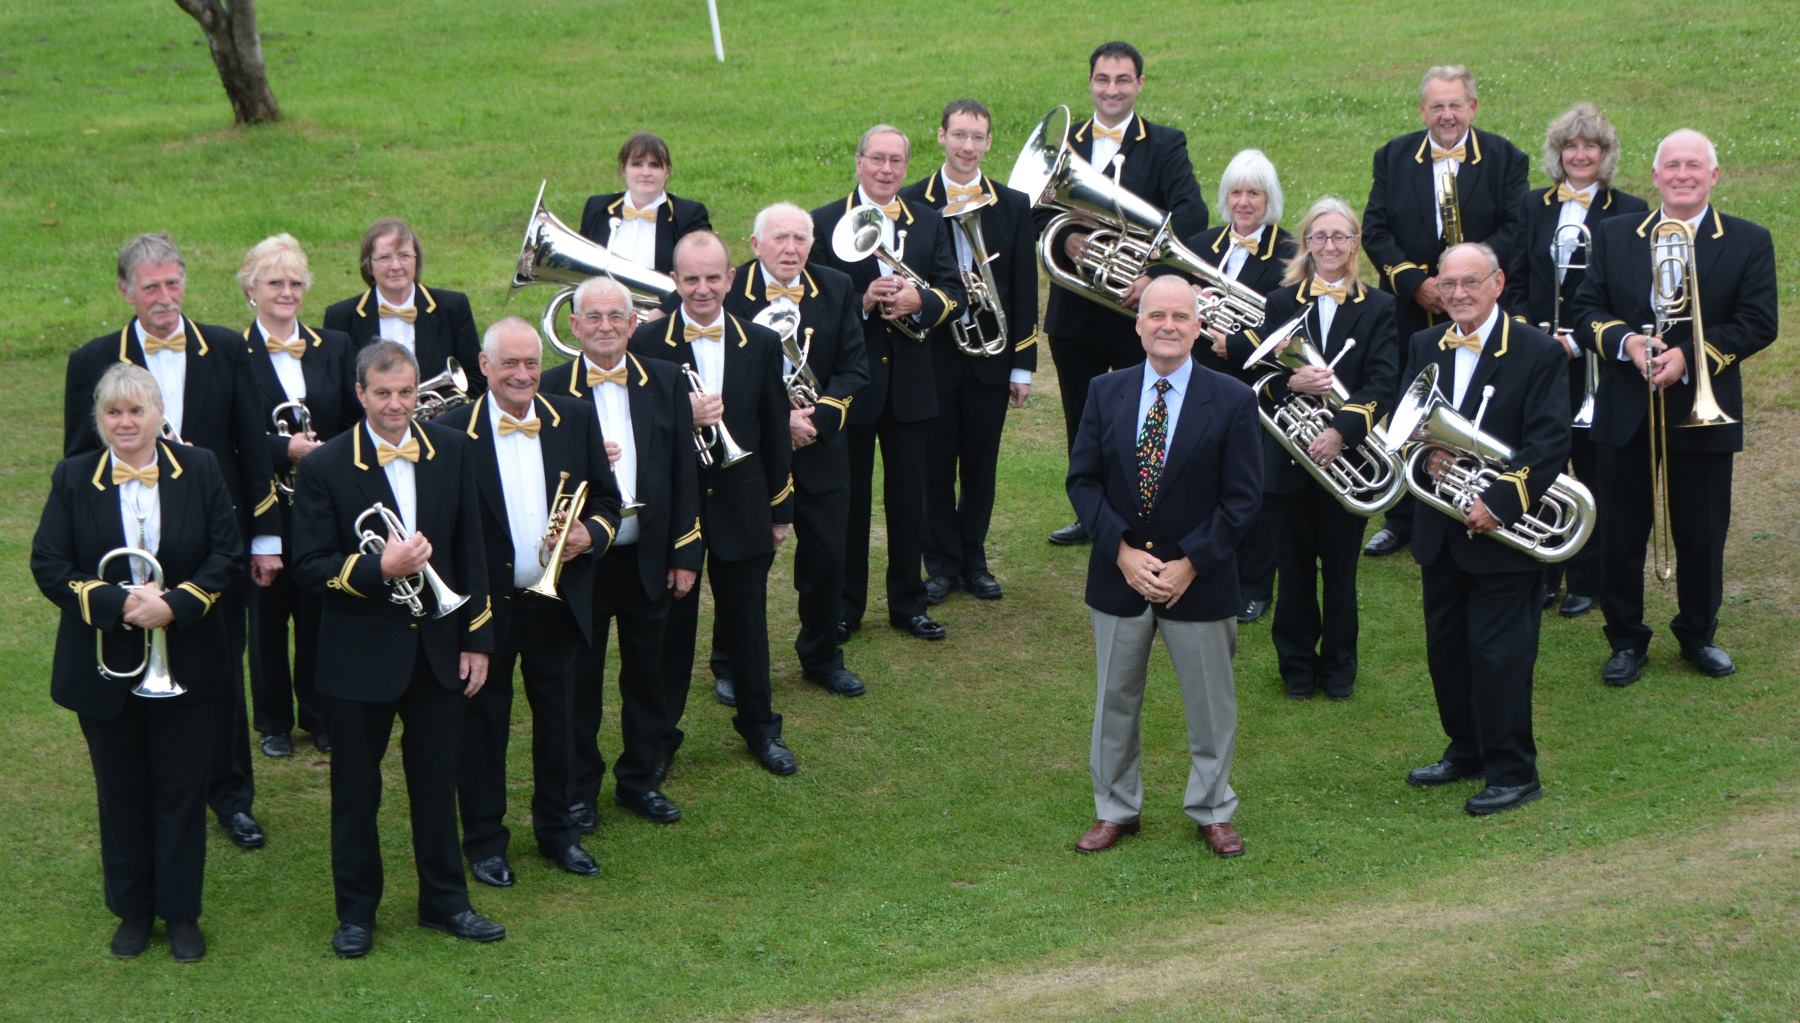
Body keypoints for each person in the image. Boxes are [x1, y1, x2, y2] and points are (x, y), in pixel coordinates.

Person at [63, 232, 277, 853]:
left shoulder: (229, 348)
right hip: (130, 546)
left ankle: (231, 797)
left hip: (214, 544)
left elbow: (253, 445)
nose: (164, 297)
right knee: (134, 667)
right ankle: (150, 787)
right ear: (126, 291)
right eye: (150, 286)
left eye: (173, 283)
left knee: (219, 669)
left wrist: (263, 537)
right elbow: (79, 461)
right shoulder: (92, 360)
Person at [291, 340, 503, 958]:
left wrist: (479, 640)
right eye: (382, 394)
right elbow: (308, 565)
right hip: (358, 656)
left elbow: (473, 554)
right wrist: (379, 566)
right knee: (356, 791)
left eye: (406, 392)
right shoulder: (325, 466)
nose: (396, 405)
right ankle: (356, 913)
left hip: (439, 648)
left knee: (438, 782)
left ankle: (446, 902)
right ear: (360, 394)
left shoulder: (455, 451)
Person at [32, 364, 244, 962]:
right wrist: (117, 603)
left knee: (181, 791)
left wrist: (175, 605)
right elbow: (49, 562)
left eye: (136, 411)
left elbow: (227, 553)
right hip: (105, 668)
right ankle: (132, 911)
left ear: (158, 416)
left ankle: (181, 915)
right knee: (119, 792)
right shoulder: (74, 477)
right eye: (113, 413)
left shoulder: (198, 469)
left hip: (189, 661)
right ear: (99, 421)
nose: (125, 423)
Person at [1570, 129, 1778, 686]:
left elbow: (1760, 322)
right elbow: (1585, 309)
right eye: (1672, 166)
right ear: (1656, 174)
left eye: (1694, 166)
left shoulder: (1747, 240)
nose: (1682, 174)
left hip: (1703, 407)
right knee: (1619, 530)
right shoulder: (1613, 235)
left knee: (1702, 530)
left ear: (1714, 175)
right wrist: (1627, 343)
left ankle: (1697, 634)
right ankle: (1625, 640)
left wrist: (1689, 358)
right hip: (1625, 406)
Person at [1065, 276, 1262, 857]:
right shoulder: (1106, 392)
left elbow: (1244, 499)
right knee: (1113, 702)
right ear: (1139, 324)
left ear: (1199, 327)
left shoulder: (1231, 399)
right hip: (1119, 578)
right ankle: (1116, 809)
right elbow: (1083, 482)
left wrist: (1191, 564)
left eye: (1181, 316)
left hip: (1197, 583)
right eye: (1157, 316)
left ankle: (1212, 808)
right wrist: (1122, 553)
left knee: (1210, 705)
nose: (1168, 326)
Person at [439, 318, 620, 884]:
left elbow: (610, 503)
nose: (523, 375)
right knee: (483, 724)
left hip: (557, 602)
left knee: (562, 719)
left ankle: (559, 832)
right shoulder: (449, 431)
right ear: (484, 366)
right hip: (486, 607)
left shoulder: (577, 417)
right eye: (510, 364)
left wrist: (592, 532)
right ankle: (486, 842)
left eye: (531, 363)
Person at [1399, 243, 1568, 816]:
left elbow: (1549, 442)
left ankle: (1514, 771)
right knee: (1446, 652)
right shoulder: (1424, 344)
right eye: (1448, 284)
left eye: (1471, 282)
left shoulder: (1538, 351)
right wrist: (1427, 461)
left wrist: (1499, 501)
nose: (1459, 294)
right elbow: (1408, 428)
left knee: (1499, 657)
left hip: (1502, 534)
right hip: (1441, 530)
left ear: (1498, 283)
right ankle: (1466, 749)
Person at [629, 232, 797, 776]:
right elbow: (640, 435)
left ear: (729, 279)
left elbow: (774, 432)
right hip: (676, 514)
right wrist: (685, 415)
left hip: (743, 506)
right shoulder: (647, 343)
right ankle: (659, 739)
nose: (703, 289)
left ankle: (759, 728)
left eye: (713, 278)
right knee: (669, 635)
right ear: (675, 282)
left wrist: (779, 511)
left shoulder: (762, 342)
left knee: (748, 626)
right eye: (691, 279)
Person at [544, 277, 700, 826]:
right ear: (574, 325)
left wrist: (685, 555)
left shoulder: (665, 380)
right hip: (583, 560)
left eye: (617, 316)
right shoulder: (549, 388)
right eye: (594, 317)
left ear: (635, 323)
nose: (606, 326)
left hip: (649, 555)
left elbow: (685, 472)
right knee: (579, 680)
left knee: (649, 674)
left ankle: (640, 778)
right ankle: (581, 791)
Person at [1045, 41, 1209, 547]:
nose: (1111, 89)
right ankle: (1089, 513)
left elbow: (1193, 215)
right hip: (1077, 311)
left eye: (1122, 80)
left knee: (1145, 412)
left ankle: (1145, 510)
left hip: (1136, 309)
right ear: (1090, 83)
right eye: (1102, 79)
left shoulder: (1164, 143)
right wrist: (1067, 238)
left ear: (1139, 84)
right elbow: (1029, 209)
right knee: (1083, 415)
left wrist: (1151, 276)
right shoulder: (1062, 143)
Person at [1362, 65, 1529, 558]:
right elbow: (1375, 231)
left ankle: (1481, 502)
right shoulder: (1393, 156)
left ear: (1473, 107)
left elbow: (1516, 229)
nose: (1447, 115)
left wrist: (1465, 281)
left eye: (1456, 105)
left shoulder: (1504, 158)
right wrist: (1417, 285)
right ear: (1423, 110)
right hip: (1414, 311)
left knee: (1477, 405)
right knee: (1406, 406)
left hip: (1480, 309)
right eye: (1437, 106)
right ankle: (1404, 517)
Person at [809, 125, 963, 641]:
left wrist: (920, 302)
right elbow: (814, 308)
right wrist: (862, 301)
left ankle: (907, 602)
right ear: (859, 162)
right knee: (848, 504)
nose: (887, 170)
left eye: (897, 162)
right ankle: (845, 607)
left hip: (912, 384)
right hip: (852, 389)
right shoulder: (825, 221)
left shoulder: (928, 220)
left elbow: (952, 290)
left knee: (909, 499)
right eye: (878, 159)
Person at [1240, 198, 1398, 700]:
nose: (1330, 246)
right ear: (1306, 243)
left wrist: (1342, 432)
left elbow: (1384, 382)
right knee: (1294, 567)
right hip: (1288, 459)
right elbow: (1258, 381)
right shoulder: (1281, 302)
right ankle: (1296, 668)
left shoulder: (1379, 306)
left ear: (1355, 245)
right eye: (1320, 237)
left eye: (1340, 237)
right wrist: (1293, 382)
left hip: (1346, 458)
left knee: (1341, 571)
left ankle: (1338, 670)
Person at [713, 202, 870, 704]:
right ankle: (732, 664)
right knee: (745, 562)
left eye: (800, 239)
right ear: (755, 244)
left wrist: (816, 421)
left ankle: (822, 656)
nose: (791, 248)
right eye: (779, 238)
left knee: (827, 559)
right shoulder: (729, 293)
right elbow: (720, 376)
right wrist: (779, 421)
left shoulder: (837, 286)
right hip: (754, 453)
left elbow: (853, 369)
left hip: (820, 446)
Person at [1500, 103, 1648, 618]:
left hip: (1595, 358)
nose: (1580, 155)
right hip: (1539, 356)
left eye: (1590, 146)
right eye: (1571, 146)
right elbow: (1514, 280)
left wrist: (1580, 340)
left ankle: (1588, 576)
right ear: (1557, 153)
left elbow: (1629, 294)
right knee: (1539, 459)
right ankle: (1543, 569)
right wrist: (1527, 335)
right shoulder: (1532, 204)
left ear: (1605, 155)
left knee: (1590, 467)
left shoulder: (1630, 208)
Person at [900, 99, 1040, 605]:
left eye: (977, 137)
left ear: (988, 143)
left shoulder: (1014, 204)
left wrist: (1023, 364)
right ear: (941, 136)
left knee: (981, 463)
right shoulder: (914, 201)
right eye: (958, 135)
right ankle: (939, 564)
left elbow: (1025, 287)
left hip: (991, 355)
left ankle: (974, 559)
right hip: (934, 354)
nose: (967, 146)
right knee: (933, 465)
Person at [238, 233, 360, 759]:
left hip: (321, 503)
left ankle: (319, 714)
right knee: (267, 616)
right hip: (263, 502)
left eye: (295, 283)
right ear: (251, 291)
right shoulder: (231, 352)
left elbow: (354, 422)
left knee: (320, 610)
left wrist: (326, 454)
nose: (286, 292)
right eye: (274, 283)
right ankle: (272, 721)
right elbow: (229, 434)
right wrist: (282, 447)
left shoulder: (335, 345)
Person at [1180, 149, 1297, 624]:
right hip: (1201, 378)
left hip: (1256, 386)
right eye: (1236, 192)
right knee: (1201, 479)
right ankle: (1208, 568)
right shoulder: (1201, 244)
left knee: (1253, 486)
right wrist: (1192, 300)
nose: (1244, 202)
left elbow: (1292, 323)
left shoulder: (1290, 251)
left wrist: (1241, 341)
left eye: (1254, 193)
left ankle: (1255, 583)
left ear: (1269, 199)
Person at [322, 218, 484, 396]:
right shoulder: (340, 317)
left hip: (439, 422)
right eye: (384, 257)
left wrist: (438, 409)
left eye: (404, 255)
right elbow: (337, 394)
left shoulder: (452, 308)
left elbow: (476, 379)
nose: (396, 266)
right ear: (369, 264)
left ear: (417, 260)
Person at [578, 131, 713, 275]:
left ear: (667, 171)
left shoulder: (689, 215)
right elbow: (580, 269)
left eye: (654, 165)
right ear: (623, 169)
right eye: (637, 164)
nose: (646, 172)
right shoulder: (597, 208)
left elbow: (702, 273)